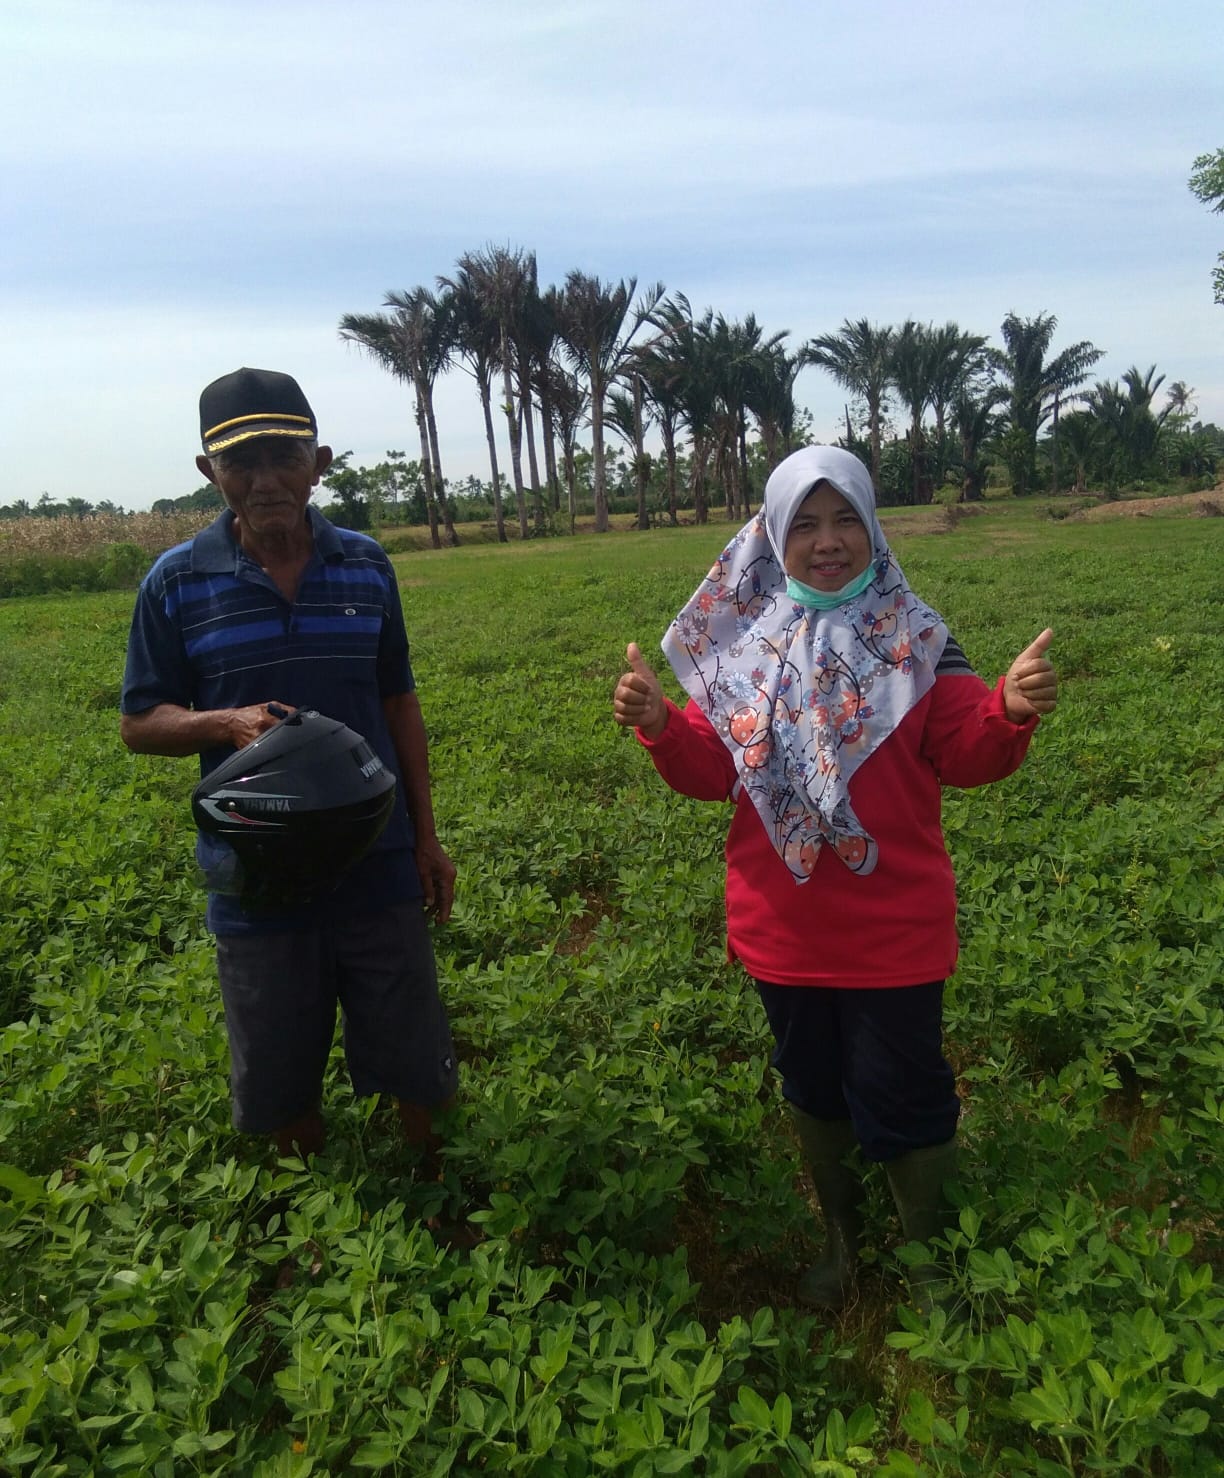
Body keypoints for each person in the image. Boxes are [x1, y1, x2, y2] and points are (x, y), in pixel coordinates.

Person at [613, 445, 1056, 1310]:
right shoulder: (740, 647)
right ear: (773, 536)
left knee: (905, 1091)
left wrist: (1005, 708)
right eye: (806, 524)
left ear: (873, 528)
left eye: (846, 518)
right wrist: (665, 724)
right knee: (812, 1086)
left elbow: (963, 749)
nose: (828, 541)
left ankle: (931, 1265)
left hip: (894, 933)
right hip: (784, 930)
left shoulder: (917, 639)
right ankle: (843, 1243)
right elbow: (714, 767)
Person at [121, 367, 458, 1163]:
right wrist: (223, 722)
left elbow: (397, 702)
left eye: (284, 457)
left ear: (319, 464)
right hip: (255, 874)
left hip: (376, 859)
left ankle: (437, 1186)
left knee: (416, 1051)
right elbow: (139, 722)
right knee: (279, 1073)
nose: (265, 480)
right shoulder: (176, 582)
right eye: (242, 462)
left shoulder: (367, 566)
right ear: (209, 471)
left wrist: (425, 837)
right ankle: (310, 1205)